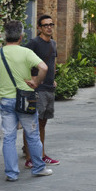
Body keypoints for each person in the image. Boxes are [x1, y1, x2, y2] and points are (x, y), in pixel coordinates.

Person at [0, 20, 53, 180]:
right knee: (32, 135)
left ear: (4, 36)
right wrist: (36, 82)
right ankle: (38, 168)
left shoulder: (1, 52)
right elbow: (44, 67)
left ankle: (11, 173)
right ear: (21, 37)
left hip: (6, 100)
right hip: (26, 99)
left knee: (8, 138)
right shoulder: (25, 53)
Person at [23, 15, 60, 169]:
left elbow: (52, 63)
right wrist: (30, 79)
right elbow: (24, 62)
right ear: (39, 28)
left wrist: (53, 78)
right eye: (45, 25)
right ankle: (29, 157)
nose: (49, 27)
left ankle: (42, 154)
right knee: (32, 123)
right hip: (37, 89)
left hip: (49, 88)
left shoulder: (53, 43)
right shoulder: (33, 43)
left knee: (42, 123)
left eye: (51, 24)